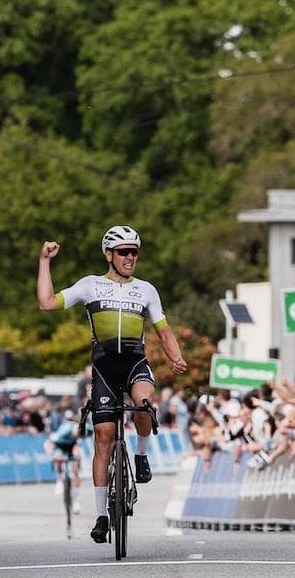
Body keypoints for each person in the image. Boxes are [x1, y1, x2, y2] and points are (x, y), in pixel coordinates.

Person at [36, 226, 187, 545]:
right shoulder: (90, 285)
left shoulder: (146, 290)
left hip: (134, 362)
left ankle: (142, 455)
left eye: (134, 251)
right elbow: (47, 303)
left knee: (145, 405)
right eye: (124, 252)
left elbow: (163, 330)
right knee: (103, 437)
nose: (130, 257)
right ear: (109, 255)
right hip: (104, 368)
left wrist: (176, 358)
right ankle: (102, 515)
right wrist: (44, 262)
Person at [47, 409, 82, 507]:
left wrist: (76, 457)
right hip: (61, 446)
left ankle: (76, 499)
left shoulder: (77, 431)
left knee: (75, 469)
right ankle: (59, 480)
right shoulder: (61, 430)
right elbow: (49, 444)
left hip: (72, 446)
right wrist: (52, 455)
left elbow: (77, 446)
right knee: (57, 459)